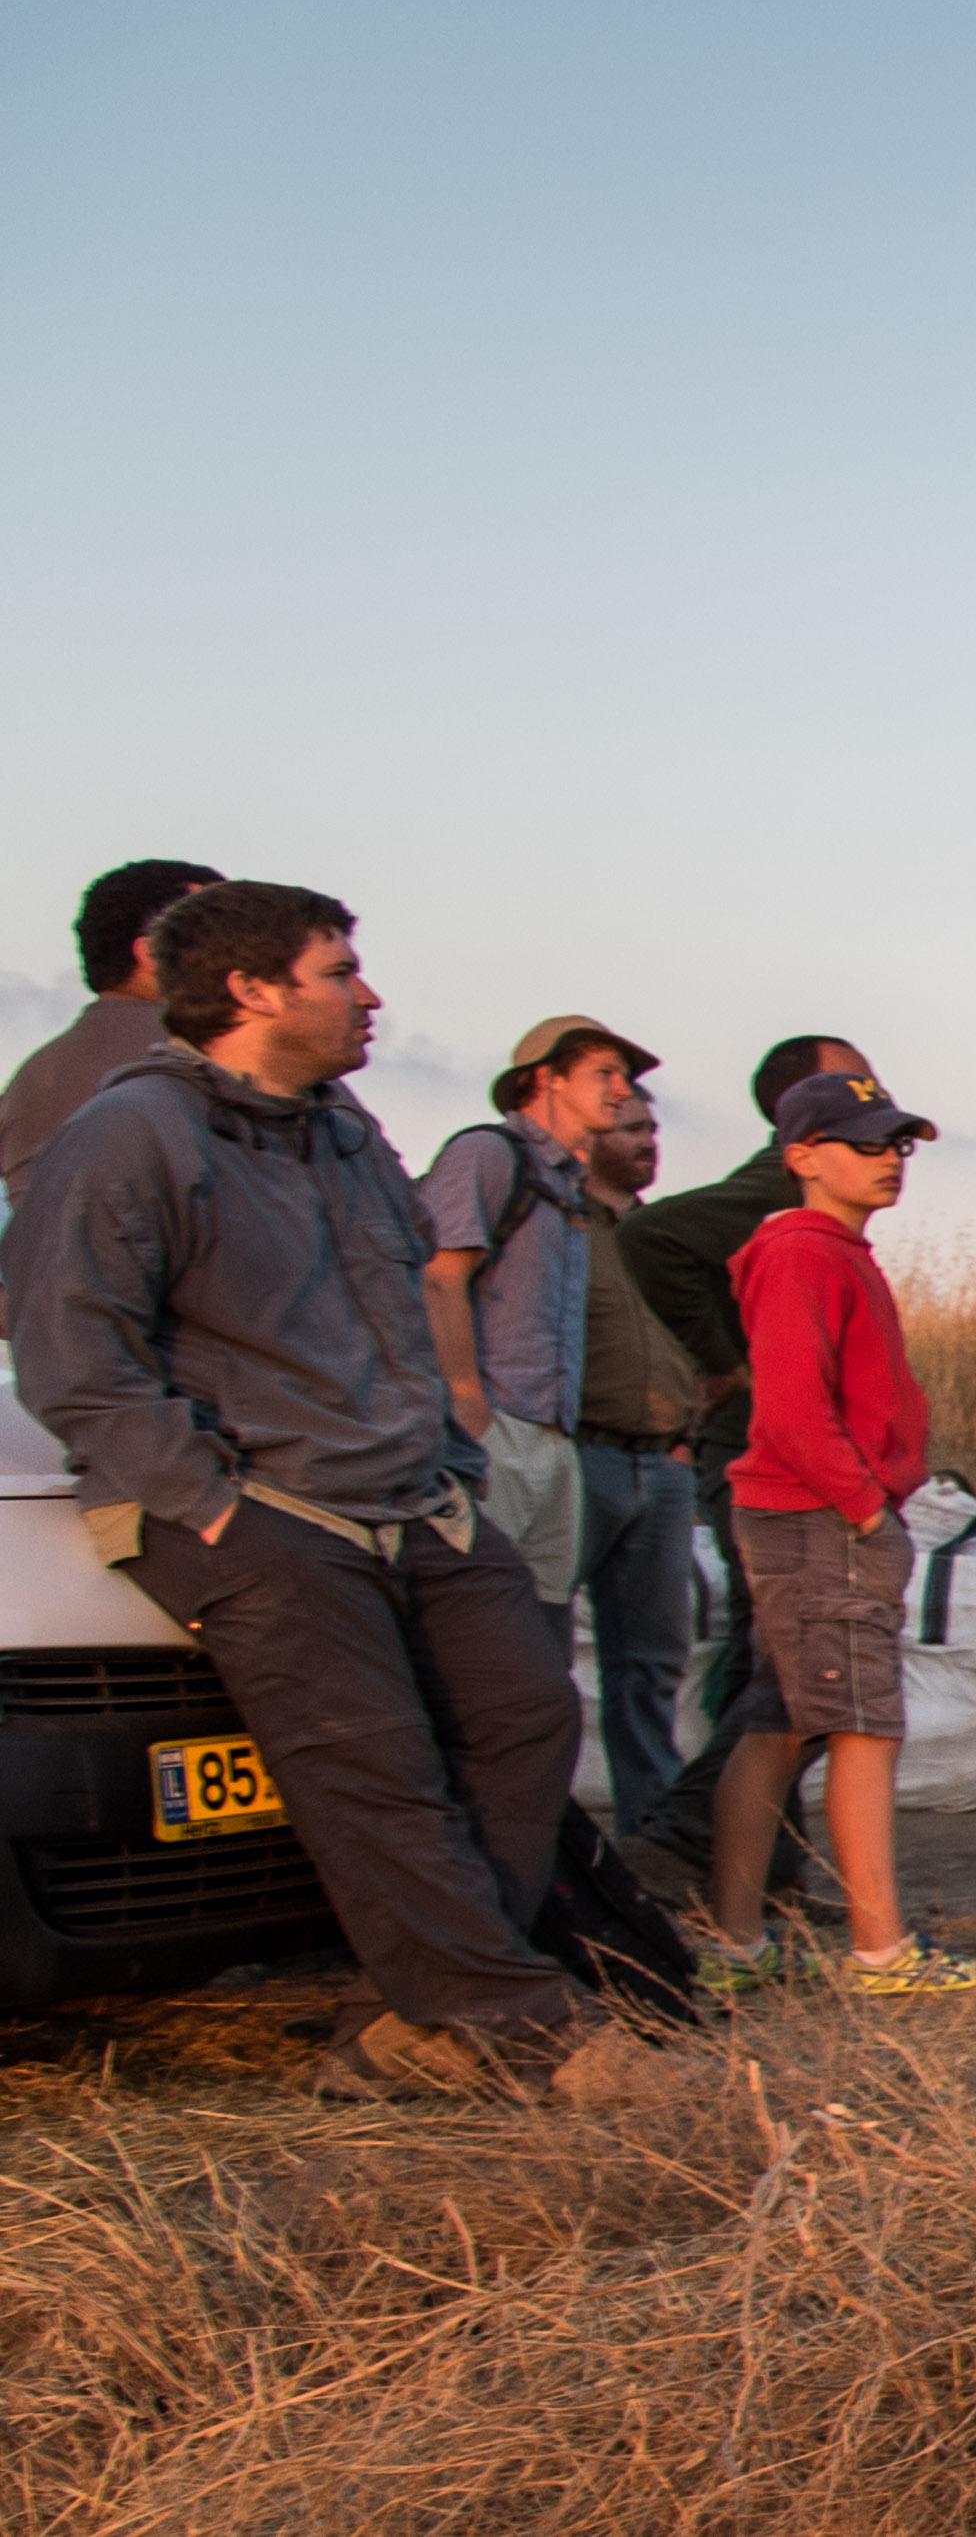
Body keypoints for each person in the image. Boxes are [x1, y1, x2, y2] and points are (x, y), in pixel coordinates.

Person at [0, 882, 666, 2103]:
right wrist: (207, 1500)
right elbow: (68, 1352)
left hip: (411, 1495)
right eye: (339, 971)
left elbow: (405, 1305)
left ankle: (397, 2028)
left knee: (525, 1718)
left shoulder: (348, 1131)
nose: (370, 996)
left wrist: (450, 1460)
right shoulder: (130, 1134)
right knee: (374, 1761)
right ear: (254, 991)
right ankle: (523, 2028)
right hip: (258, 1505)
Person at [705, 1070, 976, 1997]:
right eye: (864, 1143)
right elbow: (796, 1408)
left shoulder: (832, 1250)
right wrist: (867, 1508)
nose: (889, 1161)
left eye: (897, 1145)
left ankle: (734, 1943)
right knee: (862, 1725)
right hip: (818, 1518)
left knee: (780, 1722)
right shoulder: (802, 1252)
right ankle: (881, 1951)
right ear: (801, 1155)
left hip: (805, 1514)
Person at [609, 1031, 867, 1909]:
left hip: (767, 1451)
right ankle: (684, 1835)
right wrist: (729, 1359)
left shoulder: (810, 1196)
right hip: (769, 1455)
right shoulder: (778, 1187)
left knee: (770, 1658)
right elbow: (653, 1236)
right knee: (797, 1670)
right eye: (853, 1078)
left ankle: (762, 1875)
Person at [417, 1015, 649, 1642]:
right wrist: (465, 1401)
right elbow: (440, 1277)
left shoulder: (570, 1191)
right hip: (495, 1427)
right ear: (545, 1078)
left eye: (623, 1077)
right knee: (473, 1624)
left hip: (554, 1438)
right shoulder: (487, 1154)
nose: (621, 1089)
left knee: (543, 1630)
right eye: (604, 1072)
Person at [559, 1098, 713, 1817]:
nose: (648, 1142)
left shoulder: (663, 1233)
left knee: (650, 1663)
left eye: (653, 1128)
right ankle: (545, 1834)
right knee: (541, 1650)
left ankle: (649, 1831)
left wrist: (687, 1432)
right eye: (629, 1128)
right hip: (580, 1454)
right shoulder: (558, 1222)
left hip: (663, 1464)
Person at [0, 856, 222, 1202]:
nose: (256, 954)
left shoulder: (35, 1076)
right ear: (155, 953)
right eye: (228, 933)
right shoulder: (226, 1060)